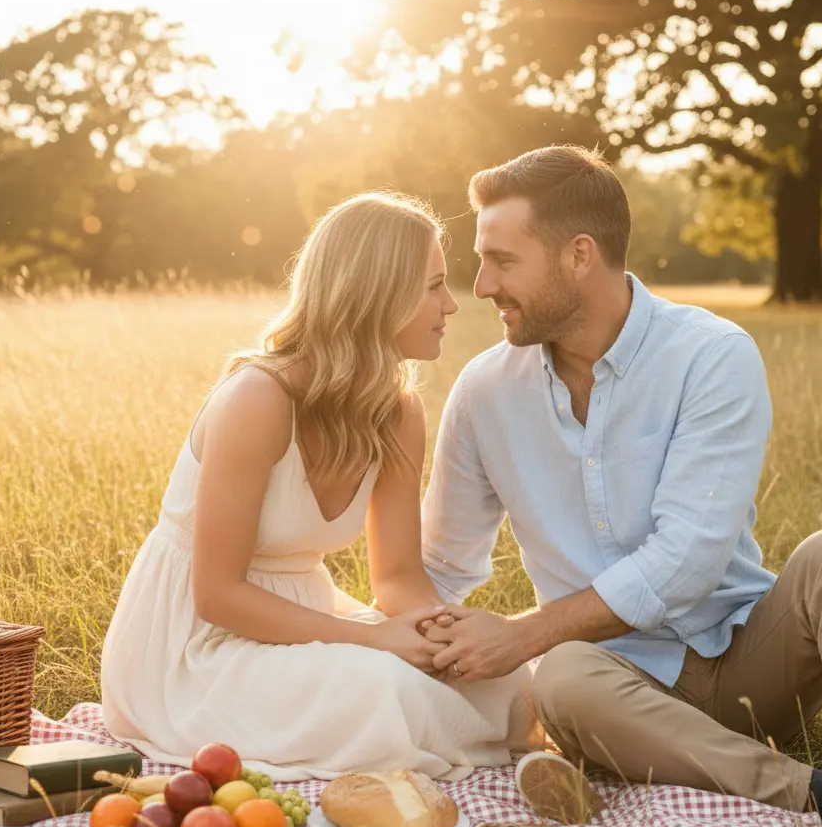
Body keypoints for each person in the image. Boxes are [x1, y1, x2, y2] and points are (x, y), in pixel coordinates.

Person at [419, 144, 822, 827]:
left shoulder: (710, 355)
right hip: (614, 695)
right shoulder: (482, 393)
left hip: (750, 662)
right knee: (562, 676)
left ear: (579, 255)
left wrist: (522, 633)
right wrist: (380, 656)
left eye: (503, 261)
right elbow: (440, 564)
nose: (481, 285)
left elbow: (687, 561)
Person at [100, 192, 542, 782]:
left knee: (505, 679)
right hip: (194, 647)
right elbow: (218, 595)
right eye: (433, 285)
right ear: (375, 295)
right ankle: (480, 756)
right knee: (382, 689)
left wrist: (439, 631)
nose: (451, 305)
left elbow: (397, 577)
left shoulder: (397, 411)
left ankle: (517, 764)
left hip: (303, 620)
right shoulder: (258, 400)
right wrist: (375, 642)